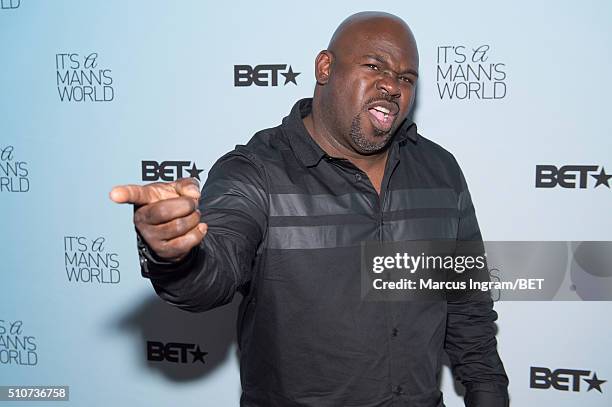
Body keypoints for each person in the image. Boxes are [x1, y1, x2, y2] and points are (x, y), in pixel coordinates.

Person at [110, 11, 509, 407]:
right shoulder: (255, 173)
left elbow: (467, 303)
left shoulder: (440, 171)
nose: (392, 85)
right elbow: (211, 275)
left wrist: (488, 392)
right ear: (325, 67)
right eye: (375, 66)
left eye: (406, 78)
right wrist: (174, 254)